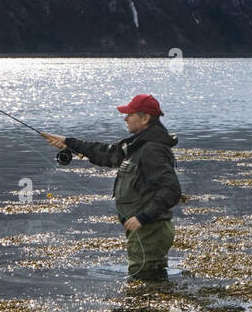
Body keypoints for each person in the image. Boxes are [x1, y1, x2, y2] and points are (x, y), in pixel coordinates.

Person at [42, 94, 182, 281]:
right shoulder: (136, 145)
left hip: (150, 230)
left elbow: (171, 190)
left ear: (145, 118)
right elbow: (106, 154)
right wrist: (69, 142)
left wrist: (142, 217)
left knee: (144, 284)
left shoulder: (152, 149)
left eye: (129, 114)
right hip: (147, 231)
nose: (125, 118)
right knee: (151, 284)